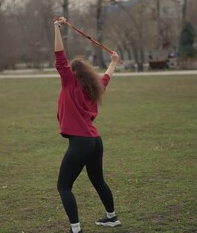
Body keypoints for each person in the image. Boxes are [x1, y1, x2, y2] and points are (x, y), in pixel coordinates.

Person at [54, 16, 121, 233]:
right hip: (95, 140)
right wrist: (113, 62)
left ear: (72, 73)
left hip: (81, 142)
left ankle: (76, 230)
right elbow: (107, 78)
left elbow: (59, 56)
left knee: (64, 186)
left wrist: (57, 27)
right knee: (97, 180)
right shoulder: (94, 86)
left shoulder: (68, 80)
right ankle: (111, 218)